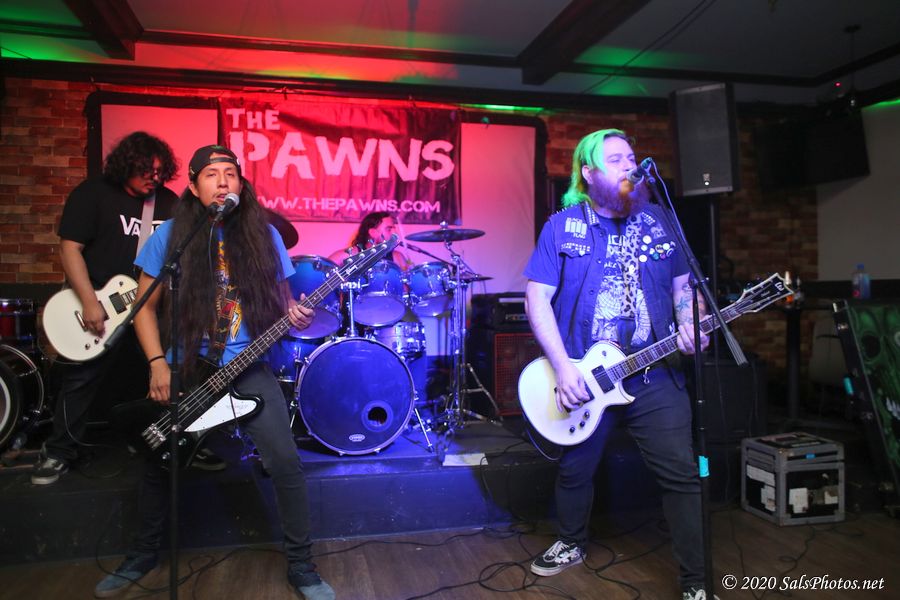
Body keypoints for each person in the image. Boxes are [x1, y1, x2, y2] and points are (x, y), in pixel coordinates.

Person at [93, 145, 334, 600]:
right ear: (192, 185)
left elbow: (283, 303)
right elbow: (145, 309)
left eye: (231, 173)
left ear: (241, 184)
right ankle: (142, 555)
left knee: (285, 463)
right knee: (159, 460)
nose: (223, 181)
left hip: (248, 366)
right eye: (211, 174)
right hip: (187, 365)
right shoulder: (171, 236)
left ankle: (302, 567)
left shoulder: (264, 235)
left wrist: (295, 314)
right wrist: (157, 363)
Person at [523, 129, 711, 600]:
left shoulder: (661, 220)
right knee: (575, 468)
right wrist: (563, 368)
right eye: (615, 159)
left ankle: (697, 582)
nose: (629, 164)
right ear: (588, 173)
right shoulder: (563, 226)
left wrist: (692, 322)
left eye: (631, 156)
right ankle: (571, 541)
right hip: (587, 374)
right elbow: (536, 299)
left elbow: (684, 288)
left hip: (654, 371)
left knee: (682, 474)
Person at [32, 131, 184, 485]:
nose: (154, 178)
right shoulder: (93, 194)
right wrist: (89, 301)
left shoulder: (168, 203)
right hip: (102, 304)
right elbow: (70, 249)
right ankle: (58, 451)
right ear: (126, 164)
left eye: (159, 172)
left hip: (149, 307)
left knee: (157, 375)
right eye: (146, 170)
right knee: (81, 379)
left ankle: (154, 442)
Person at [327, 211, 410, 270]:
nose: (395, 233)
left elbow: (406, 288)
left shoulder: (397, 257)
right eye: (389, 229)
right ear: (373, 232)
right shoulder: (347, 255)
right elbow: (322, 275)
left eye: (394, 229)